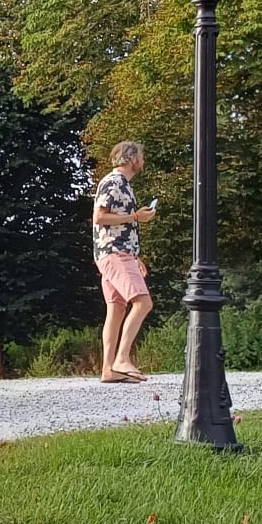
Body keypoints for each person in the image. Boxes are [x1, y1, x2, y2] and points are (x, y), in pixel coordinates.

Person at [93, 141, 157, 384]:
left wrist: (135, 256)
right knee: (143, 302)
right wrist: (135, 216)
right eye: (141, 156)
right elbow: (99, 218)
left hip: (115, 253)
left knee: (117, 308)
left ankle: (108, 369)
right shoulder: (114, 182)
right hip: (115, 253)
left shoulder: (122, 184)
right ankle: (121, 358)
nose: (143, 160)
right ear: (131, 158)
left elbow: (118, 226)